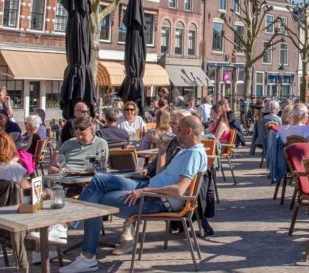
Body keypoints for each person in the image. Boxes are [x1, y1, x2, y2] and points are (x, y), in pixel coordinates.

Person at [61, 115, 209, 273]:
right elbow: (161, 174)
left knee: (97, 201)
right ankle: (69, 230)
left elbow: (179, 190)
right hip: (149, 187)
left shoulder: (194, 154)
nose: (175, 132)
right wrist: (161, 153)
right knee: (99, 180)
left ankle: (85, 252)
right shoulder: (187, 151)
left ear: (189, 131)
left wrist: (144, 191)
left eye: (178, 129)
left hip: (155, 200)